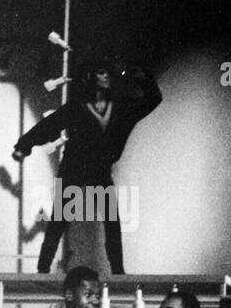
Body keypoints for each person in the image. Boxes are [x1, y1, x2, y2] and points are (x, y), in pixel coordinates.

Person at [12, 60, 162, 275]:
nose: (107, 77)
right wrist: (23, 146)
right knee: (59, 220)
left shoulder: (118, 107)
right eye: (102, 72)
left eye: (108, 72)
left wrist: (143, 78)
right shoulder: (78, 107)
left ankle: (118, 272)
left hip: (99, 170)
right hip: (74, 168)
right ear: (91, 76)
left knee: (112, 222)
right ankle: (43, 269)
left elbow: (152, 100)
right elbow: (49, 125)